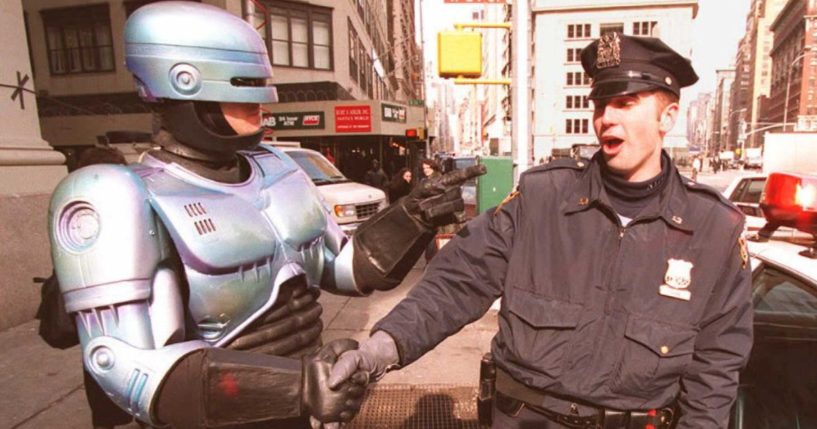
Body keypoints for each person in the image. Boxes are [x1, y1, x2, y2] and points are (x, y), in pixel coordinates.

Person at [47, 3, 481, 428]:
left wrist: (414, 218)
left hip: (301, 409)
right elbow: (120, 362)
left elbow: (344, 269)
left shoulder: (279, 167)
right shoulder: (119, 194)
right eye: (243, 86)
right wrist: (298, 387)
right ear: (185, 86)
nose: (261, 100)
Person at [326, 33, 752, 429]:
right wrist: (375, 353)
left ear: (668, 117)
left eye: (626, 104)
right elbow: (456, 284)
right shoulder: (542, 196)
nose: (606, 119)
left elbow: (715, 369)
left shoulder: (714, 231)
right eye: (600, 104)